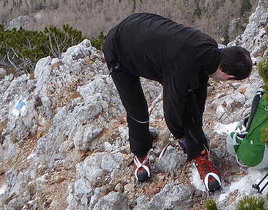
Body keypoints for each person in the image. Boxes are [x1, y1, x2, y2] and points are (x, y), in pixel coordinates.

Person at [103, 13, 253, 192]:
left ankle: (200, 155)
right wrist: (185, 139)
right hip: (119, 49)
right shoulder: (183, 69)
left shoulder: (209, 49)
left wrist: (196, 135)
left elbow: (197, 94)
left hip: (142, 30)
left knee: (188, 99)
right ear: (229, 77)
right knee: (137, 109)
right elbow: (172, 113)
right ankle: (140, 153)